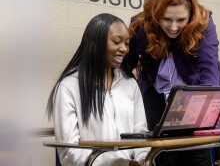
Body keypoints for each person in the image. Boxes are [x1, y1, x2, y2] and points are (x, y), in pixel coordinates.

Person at [121, 0, 220, 166]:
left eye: (181, 20)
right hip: (155, 96)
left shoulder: (203, 22)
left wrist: (211, 104)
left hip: (193, 97)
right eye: (167, 19)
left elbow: (209, 65)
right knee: (163, 156)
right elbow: (125, 64)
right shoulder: (141, 24)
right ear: (156, 14)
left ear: (190, 16)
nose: (174, 27)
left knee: (196, 155)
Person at [46, 13, 148, 166]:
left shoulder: (130, 84)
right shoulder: (69, 87)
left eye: (127, 43)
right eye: (117, 41)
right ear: (95, 43)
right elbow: (69, 152)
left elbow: (141, 134)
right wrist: (122, 164)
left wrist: (143, 160)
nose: (124, 49)